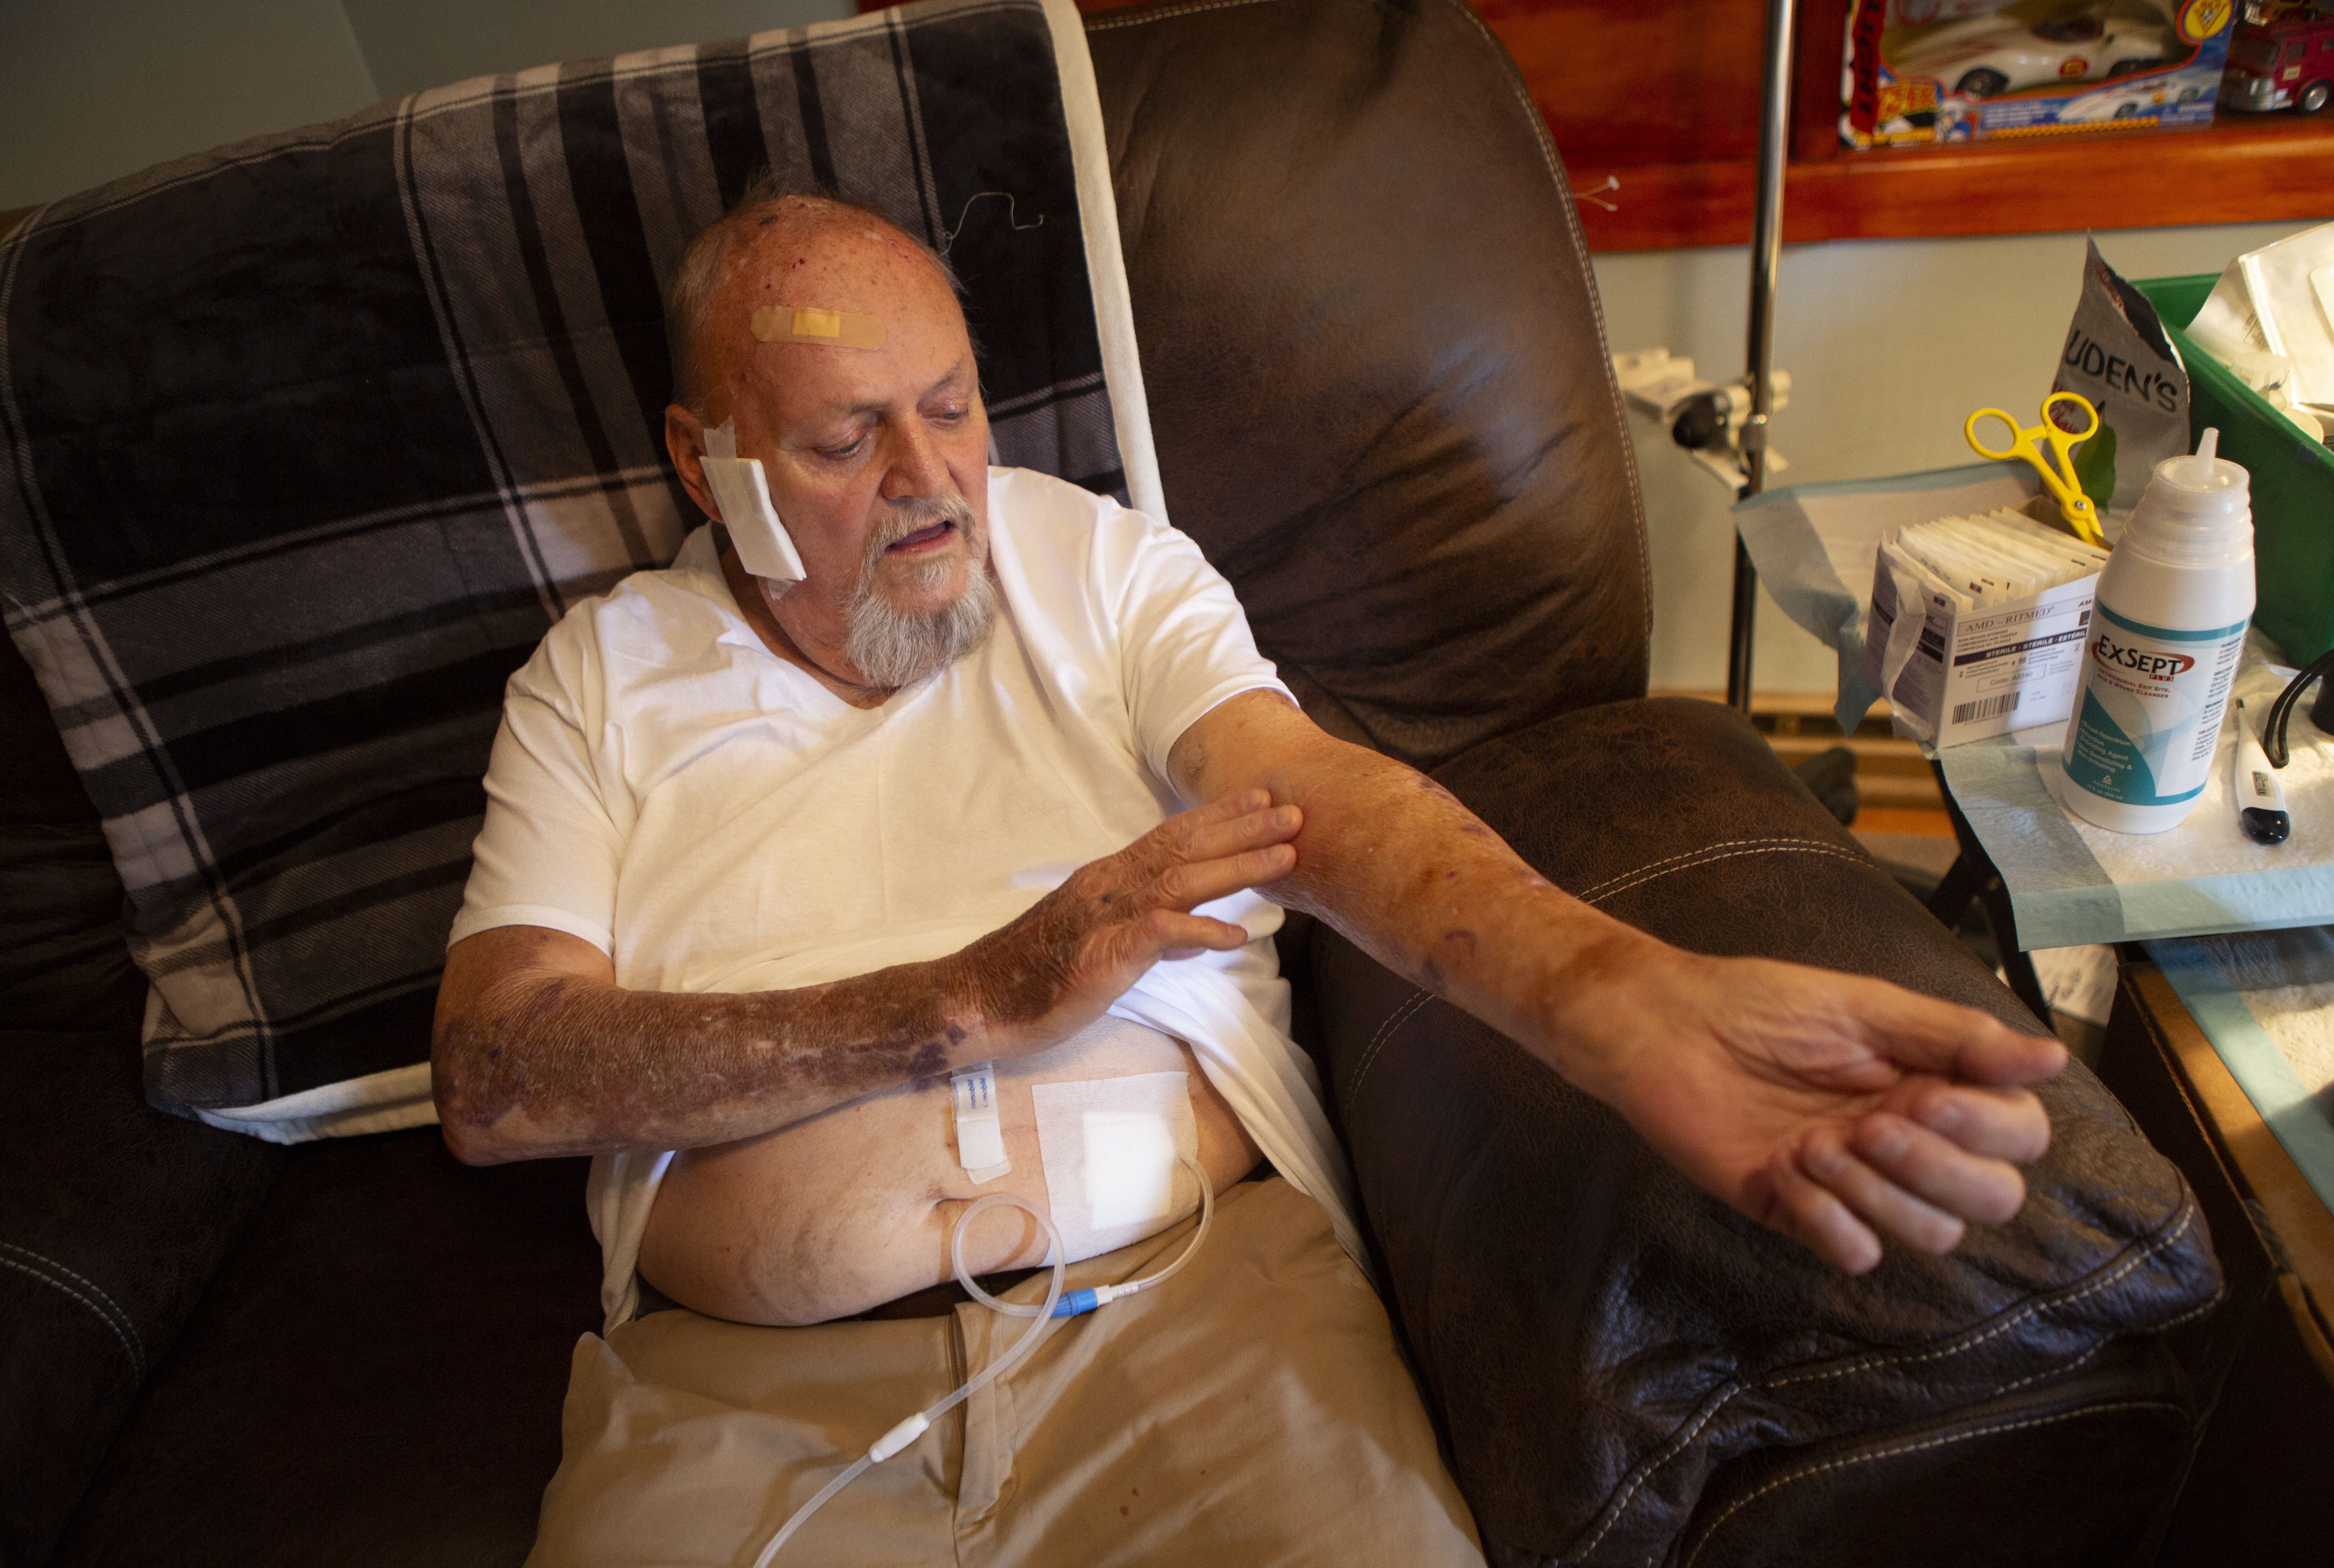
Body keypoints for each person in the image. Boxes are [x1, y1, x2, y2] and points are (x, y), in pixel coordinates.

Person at [430, 185, 2067, 1564]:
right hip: (745, 1399)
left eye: (953, 405)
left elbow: (1323, 802)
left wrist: (1624, 1001)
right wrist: (969, 1000)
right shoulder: (603, 679)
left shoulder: (1099, 566)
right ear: (704, 458)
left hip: (1191, 1314)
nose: (935, 484)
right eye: (849, 438)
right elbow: (497, 1075)